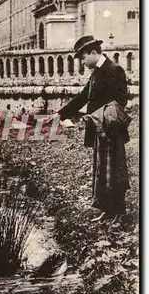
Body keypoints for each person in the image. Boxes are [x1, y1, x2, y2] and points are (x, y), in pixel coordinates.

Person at [51, 35, 129, 220]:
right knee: (102, 169)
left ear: (94, 52)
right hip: (99, 128)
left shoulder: (114, 70)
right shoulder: (96, 72)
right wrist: (60, 115)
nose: (83, 62)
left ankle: (119, 210)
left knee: (115, 169)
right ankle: (107, 209)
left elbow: (121, 100)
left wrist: (102, 118)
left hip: (110, 129)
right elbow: (83, 97)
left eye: (83, 57)